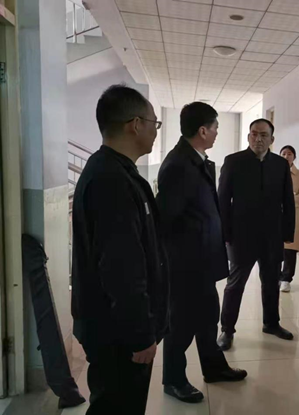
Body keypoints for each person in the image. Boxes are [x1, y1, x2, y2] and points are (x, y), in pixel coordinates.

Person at [71, 85, 169, 415]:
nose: (156, 131)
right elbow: (121, 268)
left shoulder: (115, 171)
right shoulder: (111, 180)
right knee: (117, 405)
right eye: (154, 124)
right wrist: (140, 333)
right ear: (135, 125)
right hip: (118, 333)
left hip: (116, 327)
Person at [156, 102, 247, 404]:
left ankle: (214, 367)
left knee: (208, 317)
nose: (218, 132)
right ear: (203, 130)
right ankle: (173, 380)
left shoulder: (196, 160)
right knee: (181, 324)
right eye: (216, 127)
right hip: (187, 264)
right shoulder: (178, 165)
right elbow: (167, 219)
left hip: (202, 260)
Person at [217, 119, 296, 351]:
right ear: (248, 137)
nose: (258, 139)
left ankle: (271, 323)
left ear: (272, 139)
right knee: (235, 284)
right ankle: (227, 330)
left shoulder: (280, 164)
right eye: (254, 134)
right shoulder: (233, 162)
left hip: (272, 236)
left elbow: (287, 201)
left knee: (271, 282)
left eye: (263, 135)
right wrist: (225, 234)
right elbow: (223, 200)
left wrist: (287, 232)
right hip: (241, 236)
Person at [279, 145, 299, 293]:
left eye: (289, 154)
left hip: (292, 215)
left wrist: (288, 200)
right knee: (274, 248)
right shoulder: (273, 171)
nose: (286, 156)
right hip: (274, 215)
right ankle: (276, 276)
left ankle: (286, 279)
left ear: (294, 157)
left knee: (290, 249)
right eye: (283, 153)